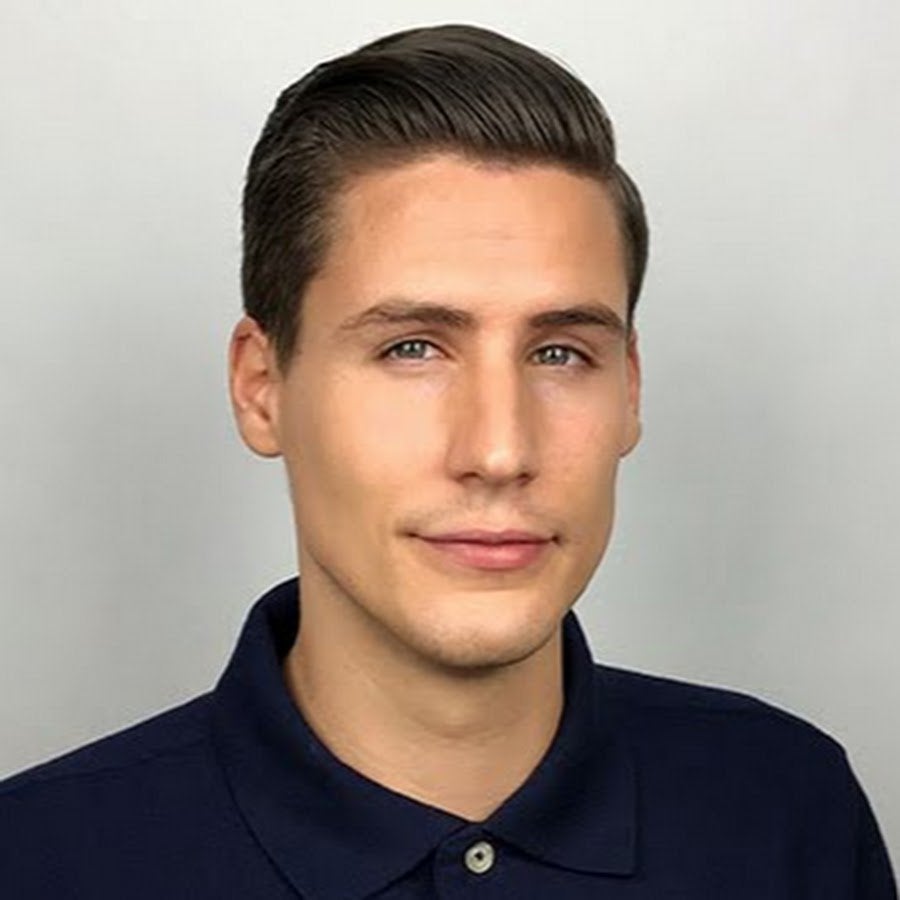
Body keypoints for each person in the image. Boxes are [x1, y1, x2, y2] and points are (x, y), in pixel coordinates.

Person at [0, 22, 895, 899]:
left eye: (560, 354)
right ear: (261, 387)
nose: (499, 451)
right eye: (412, 349)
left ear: (630, 389)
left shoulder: (789, 812)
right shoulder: (38, 861)